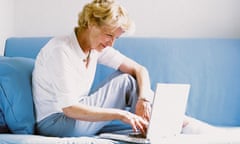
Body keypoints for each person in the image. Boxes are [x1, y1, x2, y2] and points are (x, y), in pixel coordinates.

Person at [32, 0, 153, 137]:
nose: (111, 44)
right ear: (91, 24)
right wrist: (121, 114)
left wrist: (144, 99)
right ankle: (170, 120)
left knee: (130, 80)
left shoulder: (95, 48)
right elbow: (69, 109)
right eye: (109, 35)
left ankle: (164, 120)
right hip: (55, 123)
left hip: (75, 117)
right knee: (126, 82)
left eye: (116, 38)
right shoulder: (60, 50)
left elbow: (139, 69)